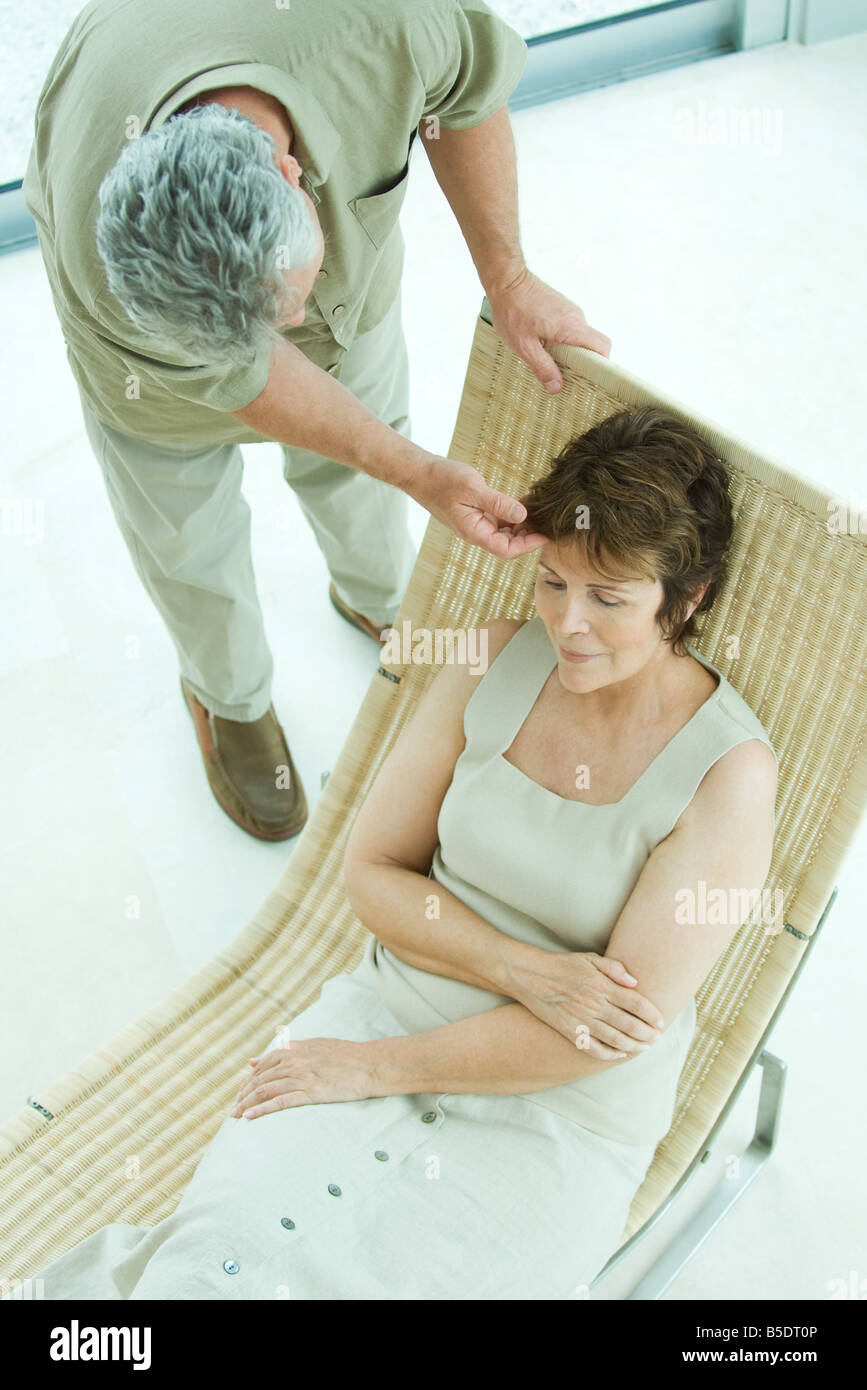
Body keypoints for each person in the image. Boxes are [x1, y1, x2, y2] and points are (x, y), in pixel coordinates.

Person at [21, 406, 778, 1301]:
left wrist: (371, 1071)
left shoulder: (727, 776)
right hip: (389, 1009)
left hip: (557, 1110)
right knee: (214, 1266)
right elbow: (372, 874)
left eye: (608, 599)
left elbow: (601, 1033)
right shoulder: (492, 658)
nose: (566, 623)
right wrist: (523, 968)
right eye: (552, 581)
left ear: (685, 600)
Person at [21, 0, 611, 842]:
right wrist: (414, 468)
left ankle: (379, 598)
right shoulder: (111, 251)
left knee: (362, 445)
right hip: (149, 386)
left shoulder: (390, 26)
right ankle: (229, 698)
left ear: (293, 172)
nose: (286, 345)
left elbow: (466, 94)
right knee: (185, 534)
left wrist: (509, 277)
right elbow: (249, 375)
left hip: (346, 283)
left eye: (287, 309)